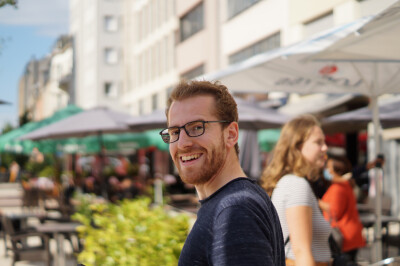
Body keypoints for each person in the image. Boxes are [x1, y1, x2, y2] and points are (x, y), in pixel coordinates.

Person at [161, 80, 285, 266]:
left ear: (231, 134)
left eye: (197, 127)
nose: (182, 143)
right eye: (174, 132)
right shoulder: (231, 202)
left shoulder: (234, 209)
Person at [261, 114, 331, 266]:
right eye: (318, 142)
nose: (325, 148)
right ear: (298, 146)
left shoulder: (291, 182)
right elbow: (301, 251)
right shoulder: (296, 185)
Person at [320, 155, 365, 263]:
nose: (326, 170)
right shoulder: (345, 185)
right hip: (350, 234)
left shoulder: (338, 188)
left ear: (335, 171)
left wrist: (317, 202)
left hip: (344, 236)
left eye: (328, 167)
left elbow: (334, 212)